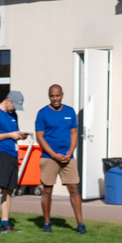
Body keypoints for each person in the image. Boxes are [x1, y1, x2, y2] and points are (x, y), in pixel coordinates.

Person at [34, 83, 85, 233]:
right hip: (49, 157)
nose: (55, 98)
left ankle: (80, 223)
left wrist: (70, 151)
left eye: (57, 95)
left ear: (62, 95)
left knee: (74, 188)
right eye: (52, 96)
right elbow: (40, 138)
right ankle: (47, 223)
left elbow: (74, 133)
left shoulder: (70, 111)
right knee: (47, 190)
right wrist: (53, 155)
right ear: (49, 96)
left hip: (67, 157)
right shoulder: (42, 113)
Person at [0, 91, 24, 233]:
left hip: (13, 154)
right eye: (14, 105)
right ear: (8, 100)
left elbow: (14, 131)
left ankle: (5, 223)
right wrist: (10, 135)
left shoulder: (13, 114)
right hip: (1, 154)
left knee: (9, 189)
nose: (14, 109)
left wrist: (19, 135)